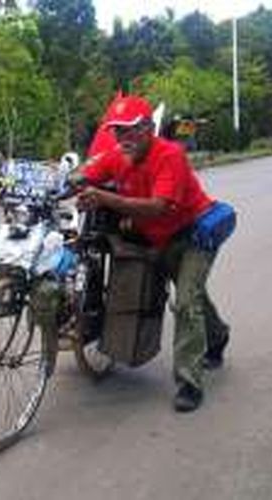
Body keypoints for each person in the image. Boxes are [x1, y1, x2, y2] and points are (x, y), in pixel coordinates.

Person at [72, 95, 231, 412]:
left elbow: (158, 207)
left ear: (148, 127)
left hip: (193, 237)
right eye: (117, 131)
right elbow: (86, 173)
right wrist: (68, 181)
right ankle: (218, 335)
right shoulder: (117, 155)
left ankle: (189, 382)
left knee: (185, 301)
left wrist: (103, 197)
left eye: (130, 130)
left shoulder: (169, 155)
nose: (122, 138)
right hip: (155, 240)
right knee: (193, 297)